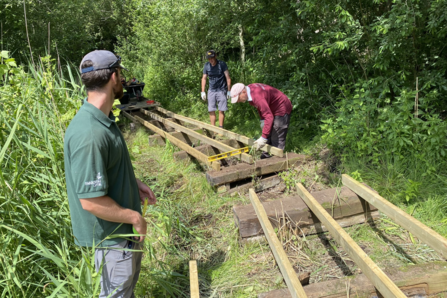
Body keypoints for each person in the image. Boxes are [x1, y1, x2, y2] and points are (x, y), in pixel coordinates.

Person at [64, 50, 156, 298]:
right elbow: (91, 200)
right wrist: (135, 218)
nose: (124, 80)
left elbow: (106, 169)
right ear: (114, 77)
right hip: (113, 242)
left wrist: (132, 182)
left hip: (122, 239)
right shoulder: (90, 133)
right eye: (121, 74)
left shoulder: (103, 120)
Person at [230, 83, 292, 155]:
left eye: (238, 98)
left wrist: (263, 138)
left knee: (276, 134)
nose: (238, 101)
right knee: (267, 132)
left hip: (282, 106)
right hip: (271, 108)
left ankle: (277, 159)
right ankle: (265, 156)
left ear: (243, 92)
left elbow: (269, 116)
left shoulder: (257, 96)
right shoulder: (250, 91)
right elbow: (260, 107)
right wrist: (263, 120)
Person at [201, 50, 231, 128]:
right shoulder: (207, 65)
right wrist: (202, 91)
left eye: (212, 58)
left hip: (221, 90)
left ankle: (221, 128)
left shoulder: (222, 64)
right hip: (211, 90)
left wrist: (228, 91)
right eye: (209, 58)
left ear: (215, 56)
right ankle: (213, 129)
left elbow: (228, 78)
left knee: (221, 110)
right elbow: (204, 78)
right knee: (211, 110)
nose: (210, 60)